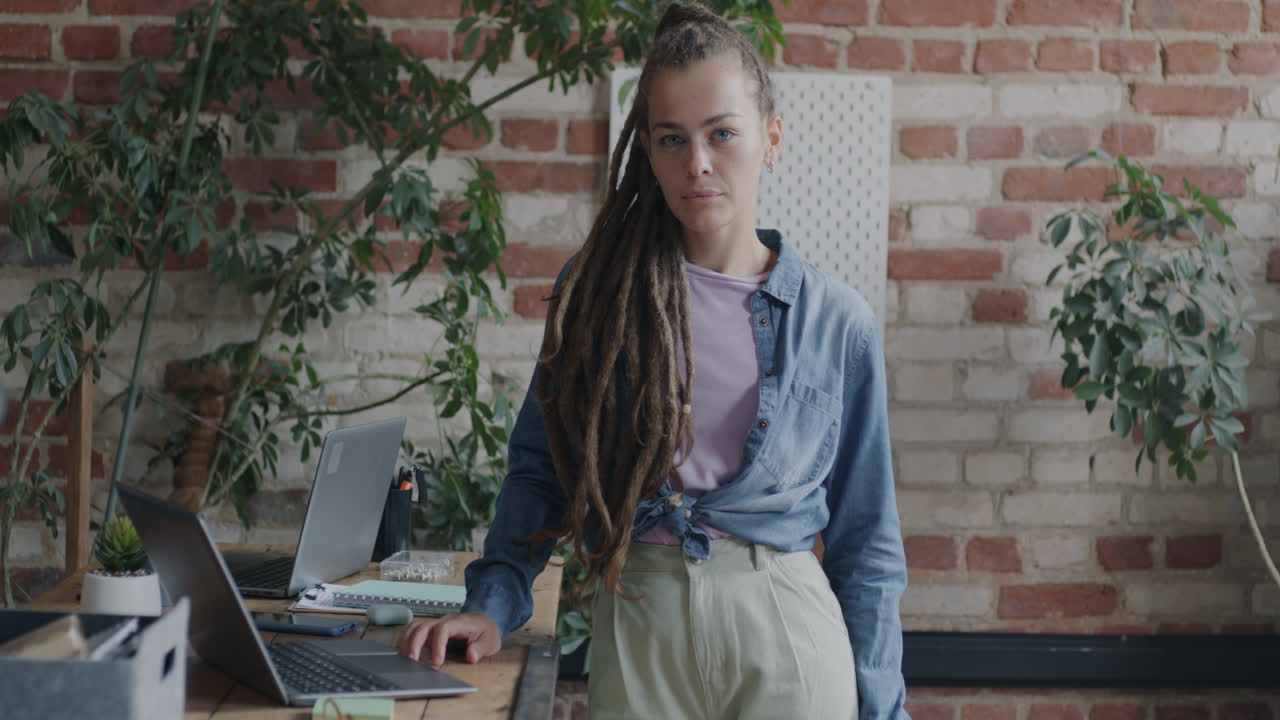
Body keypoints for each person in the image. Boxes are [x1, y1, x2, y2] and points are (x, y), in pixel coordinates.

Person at [397, 3, 909, 718]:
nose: (697, 163)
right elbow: (539, 470)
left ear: (771, 138)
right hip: (641, 623)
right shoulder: (601, 292)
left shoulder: (838, 323)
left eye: (722, 134)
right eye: (672, 139)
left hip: (789, 636)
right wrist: (490, 607)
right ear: (647, 147)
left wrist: (883, 710)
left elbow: (868, 544)